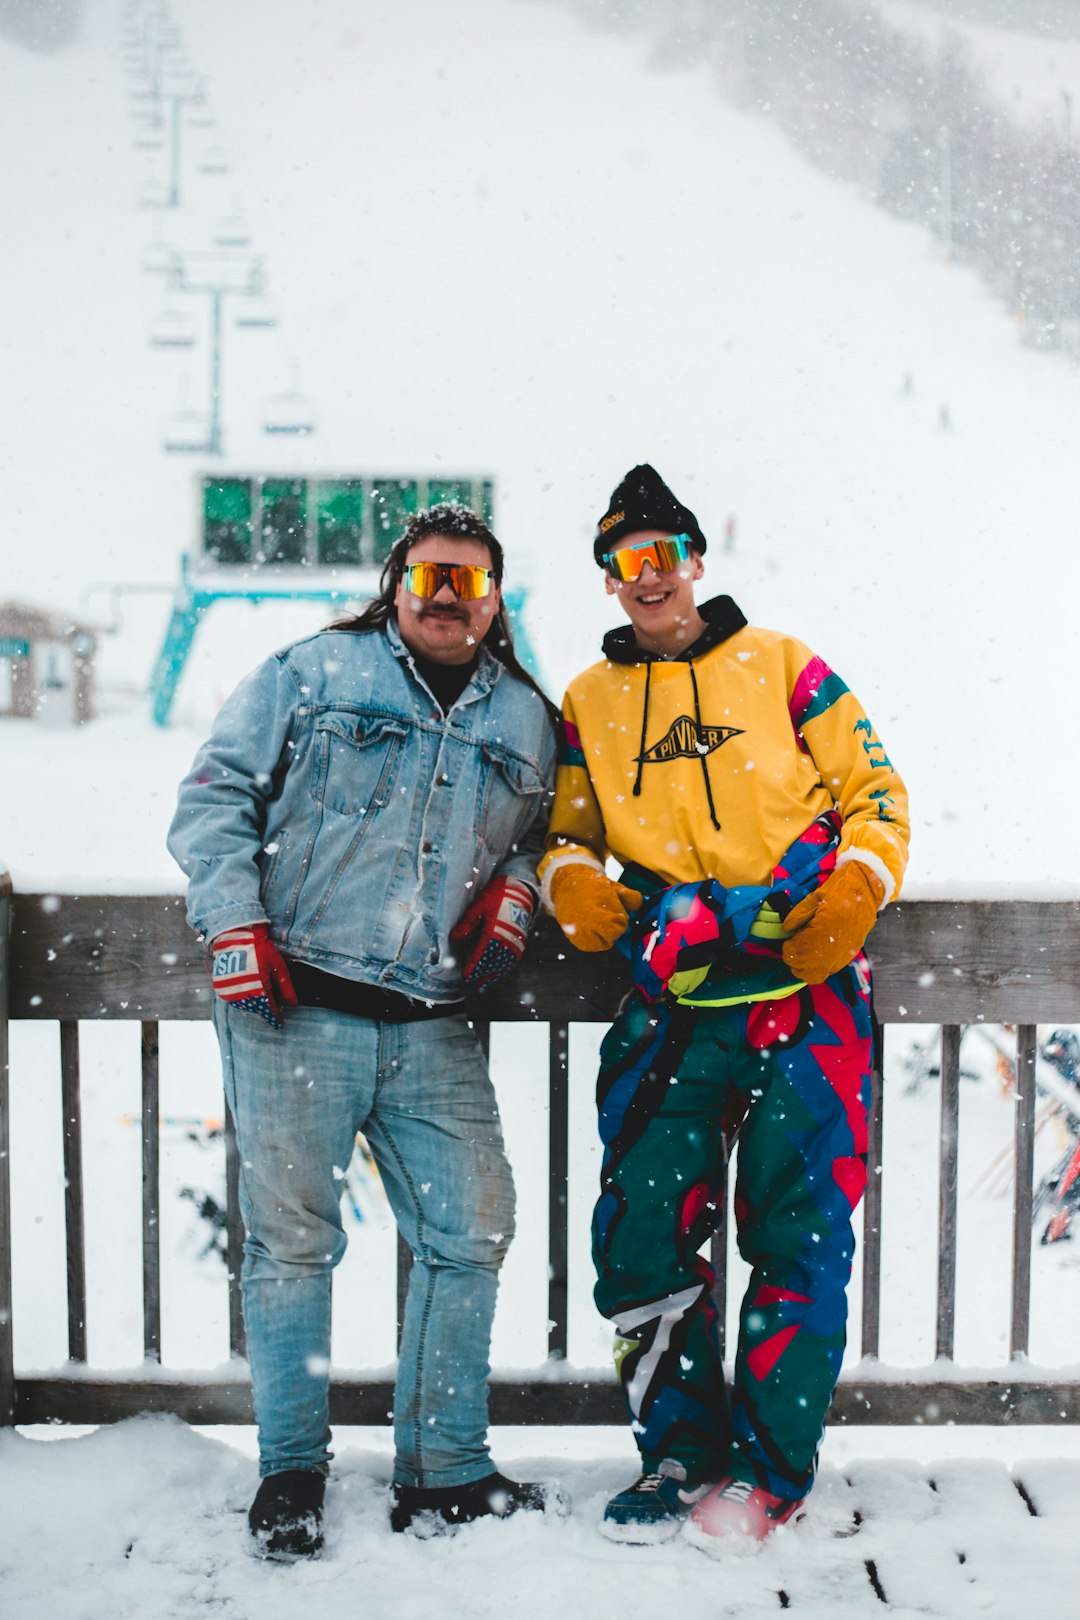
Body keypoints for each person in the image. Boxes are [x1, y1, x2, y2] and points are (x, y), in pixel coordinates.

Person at [168, 504, 558, 1559]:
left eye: (470, 582)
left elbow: (544, 836)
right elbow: (213, 799)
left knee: (472, 1226)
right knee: (294, 1244)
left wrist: (519, 891)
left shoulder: (527, 717)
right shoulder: (312, 673)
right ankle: (292, 1469)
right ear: (396, 584)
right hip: (299, 1007)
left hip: (433, 1022)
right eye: (431, 575)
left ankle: (444, 1468)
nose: (448, 596)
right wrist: (235, 920)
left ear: (494, 601)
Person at [537, 465, 909, 1555]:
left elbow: (875, 794)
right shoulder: (589, 703)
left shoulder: (784, 666)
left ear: (696, 559)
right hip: (675, 1001)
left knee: (798, 1239)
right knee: (645, 1232)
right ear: (609, 581)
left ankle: (771, 1471)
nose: (646, 577)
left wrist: (858, 888)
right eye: (624, 562)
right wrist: (568, 883)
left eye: (663, 555)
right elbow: (567, 829)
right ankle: (679, 1451)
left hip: (807, 996)